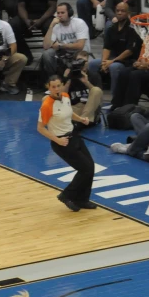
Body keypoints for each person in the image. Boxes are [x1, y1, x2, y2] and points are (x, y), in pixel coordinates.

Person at [37, 76, 97, 212]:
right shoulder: (47, 105)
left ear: (62, 85)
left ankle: (82, 199)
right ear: (48, 87)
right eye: (53, 87)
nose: (56, 89)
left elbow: (69, 113)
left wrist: (81, 119)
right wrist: (57, 140)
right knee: (85, 169)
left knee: (90, 167)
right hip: (62, 142)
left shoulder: (65, 96)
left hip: (74, 136)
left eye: (58, 86)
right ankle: (67, 195)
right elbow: (40, 128)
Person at [88, 2, 140, 106]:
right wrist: (104, 62)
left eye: (123, 11)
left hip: (127, 62)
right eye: (118, 11)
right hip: (111, 59)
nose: (120, 13)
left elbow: (130, 51)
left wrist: (112, 61)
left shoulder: (132, 29)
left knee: (114, 67)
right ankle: (94, 95)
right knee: (92, 64)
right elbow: (107, 47)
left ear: (128, 13)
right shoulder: (112, 28)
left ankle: (114, 99)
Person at [41, 3, 91, 80]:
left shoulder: (79, 23)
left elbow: (80, 45)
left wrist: (61, 45)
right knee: (47, 54)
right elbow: (46, 46)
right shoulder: (56, 26)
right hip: (65, 54)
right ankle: (53, 79)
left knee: (79, 57)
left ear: (70, 13)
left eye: (62, 13)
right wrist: (51, 26)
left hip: (80, 53)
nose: (60, 15)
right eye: (58, 13)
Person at [6, 0, 57, 64]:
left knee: (51, 26)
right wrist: (26, 21)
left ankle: (49, 57)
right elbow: (21, 6)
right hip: (26, 15)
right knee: (12, 25)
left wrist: (40, 20)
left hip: (45, 16)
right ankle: (25, 54)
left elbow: (52, 6)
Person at [62, 51, 103, 124]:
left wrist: (86, 82)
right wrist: (67, 80)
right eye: (79, 60)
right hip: (73, 108)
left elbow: (98, 95)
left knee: (96, 90)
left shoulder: (94, 75)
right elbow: (61, 96)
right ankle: (83, 121)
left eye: (85, 61)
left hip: (89, 107)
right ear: (74, 62)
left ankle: (81, 121)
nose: (83, 63)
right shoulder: (69, 75)